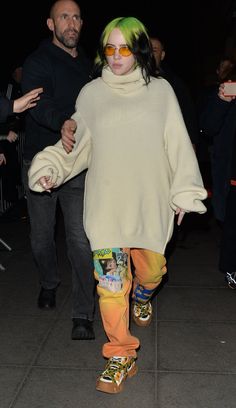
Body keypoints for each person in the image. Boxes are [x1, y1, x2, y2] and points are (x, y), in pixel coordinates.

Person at [28, 17, 207, 394]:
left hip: (148, 204)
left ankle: (144, 293)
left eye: (125, 47)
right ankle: (120, 353)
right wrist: (51, 169)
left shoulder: (160, 91)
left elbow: (177, 143)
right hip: (106, 209)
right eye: (109, 48)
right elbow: (76, 143)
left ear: (139, 49)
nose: (116, 56)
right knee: (110, 287)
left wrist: (185, 191)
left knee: (152, 272)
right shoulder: (91, 94)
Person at [21, 0, 95, 340]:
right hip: (42, 160)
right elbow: (39, 105)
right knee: (40, 238)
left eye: (77, 16)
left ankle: (83, 313)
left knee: (80, 239)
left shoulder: (93, 65)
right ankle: (49, 282)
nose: (72, 23)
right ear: (51, 24)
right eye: (64, 16)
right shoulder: (37, 62)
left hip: (78, 163)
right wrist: (62, 122)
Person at [199, 61, 236, 289]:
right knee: (231, 225)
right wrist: (222, 100)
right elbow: (208, 126)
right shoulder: (226, 91)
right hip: (232, 175)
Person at [149, 35, 199, 150]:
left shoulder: (174, 83)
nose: (150, 54)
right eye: (147, 49)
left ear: (162, 55)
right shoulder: (131, 80)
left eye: (155, 50)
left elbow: (188, 114)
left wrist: (191, 143)